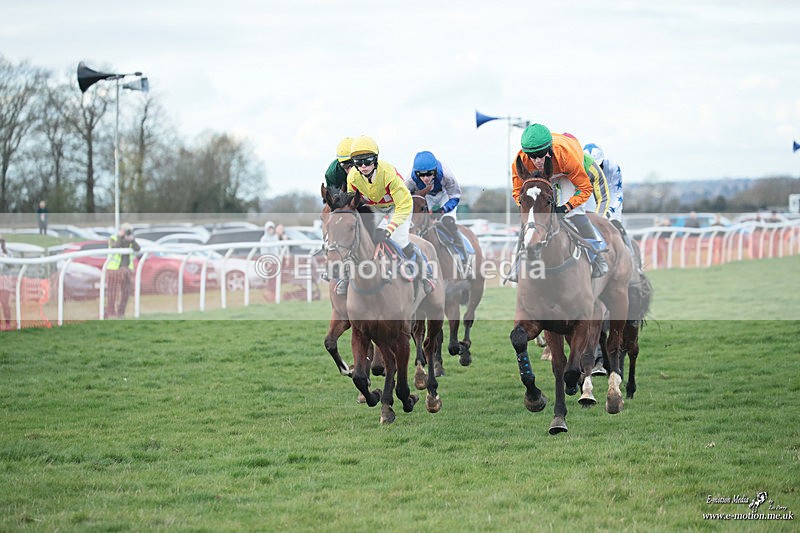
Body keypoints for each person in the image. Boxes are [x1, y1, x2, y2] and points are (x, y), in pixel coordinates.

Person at [511, 124, 609, 278]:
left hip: (566, 172)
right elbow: (517, 192)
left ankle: (597, 256)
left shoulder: (566, 156)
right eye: (532, 156)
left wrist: (566, 207)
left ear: (549, 149)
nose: (537, 161)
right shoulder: (521, 161)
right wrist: (528, 208)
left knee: (574, 213)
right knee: (529, 219)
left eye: (541, 155)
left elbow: (585, 188)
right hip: (545, 176)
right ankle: (517, 264)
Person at [343, 135, 435, 295]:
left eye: (367, 161)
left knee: (399, 240)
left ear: (375, 159)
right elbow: (353, 204)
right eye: (358, 162)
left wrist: (388, 230)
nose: (363, 166)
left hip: (399, 206)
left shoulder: (388, 173)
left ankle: (425, 274)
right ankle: (345, 277)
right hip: (376, 207)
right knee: (360, 238)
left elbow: (403, 206)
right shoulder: (352, 177)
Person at [404, 150, 465, 256]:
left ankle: (462, 253)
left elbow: (455, 196)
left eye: (429, 174)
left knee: (448, 221)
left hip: (445, 195)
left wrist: (443, 209)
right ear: (416, 173)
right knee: (416, 224)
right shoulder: (410, 180)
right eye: (421, 175)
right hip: (426, 197)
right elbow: (402, 197)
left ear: (435, 170)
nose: (425, 178)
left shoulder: (446, 174)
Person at [105, 223, 140, 319]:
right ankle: (109, 313)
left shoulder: (130, 240)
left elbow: (137, 248)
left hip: (126, 270)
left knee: (125, 293)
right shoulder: (113, 238)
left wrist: (132, 240)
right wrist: (121, 237)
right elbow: (115, 247)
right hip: (114, 270)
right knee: (112, 294)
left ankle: (120, 313)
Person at [0, 234, 13, 330]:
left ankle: (8, 323)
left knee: (5, 302)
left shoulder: (9, 252)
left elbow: (12, 265)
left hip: (5, 280)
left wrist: (5, 258)